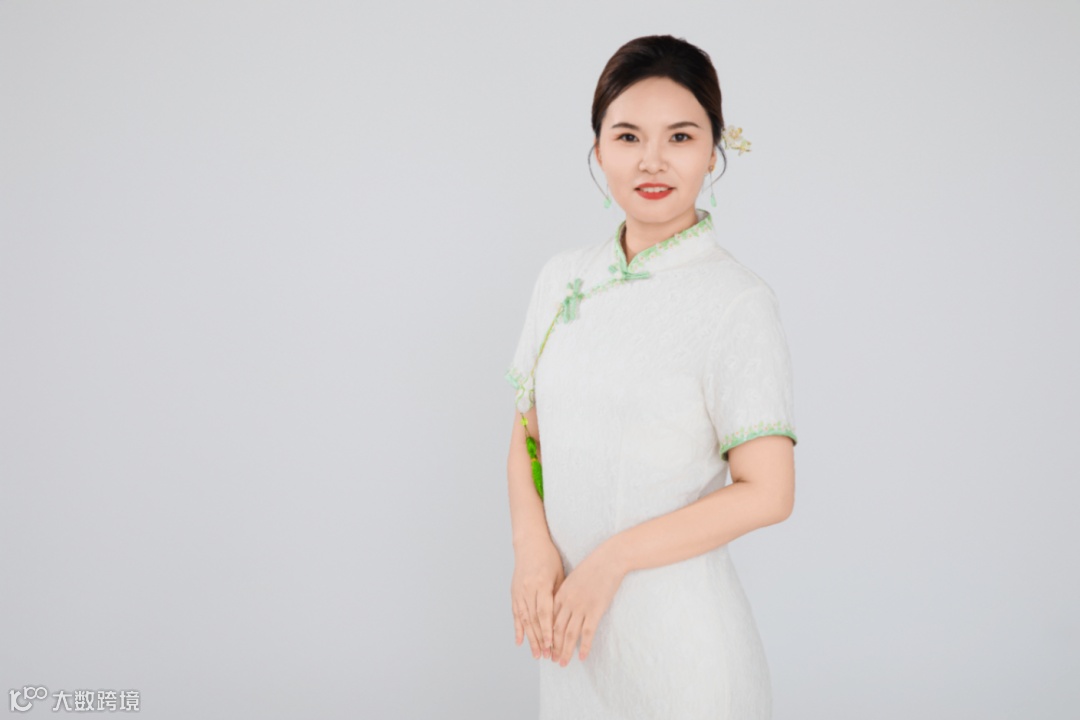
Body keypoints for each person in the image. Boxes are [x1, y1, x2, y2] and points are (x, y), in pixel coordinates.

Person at [504, 34, 799, 719]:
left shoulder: (736, 301)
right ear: (598, 149)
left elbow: (769, 492)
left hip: (682, 650)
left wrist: (611, 561)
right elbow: (528, 432)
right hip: (571, 639)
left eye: (681, 137)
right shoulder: (563, 278)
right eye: (629, 136)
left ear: (714, 150)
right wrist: (531, 547)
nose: (653, 160)